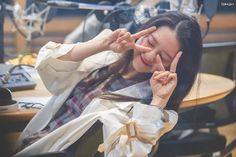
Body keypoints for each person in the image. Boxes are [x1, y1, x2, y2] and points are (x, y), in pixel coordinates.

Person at [14, 11, 202, 157]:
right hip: (31, 139)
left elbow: (127, 153)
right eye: (150, 42)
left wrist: (158, 101)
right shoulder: (110, 56)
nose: (150, 55)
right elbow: (47, 64)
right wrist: (101, 44)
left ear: (175, 67)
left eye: (163, 57)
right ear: (144, 30)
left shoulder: (149, 106)